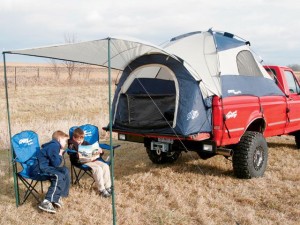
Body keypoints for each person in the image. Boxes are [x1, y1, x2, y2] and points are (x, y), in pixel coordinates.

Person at [68, 127, 112, 198]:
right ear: (73, 138)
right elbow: (70, 153)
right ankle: (102, 189)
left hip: (93, 160)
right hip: (82, 162)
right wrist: (77, 155)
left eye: (82, 139)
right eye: (78, 140)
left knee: (105, 166)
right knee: (97, 168)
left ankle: (108, 187)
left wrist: (100, 151)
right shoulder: (72, 145)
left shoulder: (85, 143)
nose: (80, 142)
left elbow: (93, 151)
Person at [34, 130, 70, 214]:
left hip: (47, 166)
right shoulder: (54, 146)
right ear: (59, 139)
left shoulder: (54, 145)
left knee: (65, 170)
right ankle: (46, 202)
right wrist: (60, 155)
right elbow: (56, 163)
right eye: (65, 141)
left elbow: (54, 163)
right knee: (59, 175)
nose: (65, 143)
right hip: (41, 168)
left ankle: (58, 196)